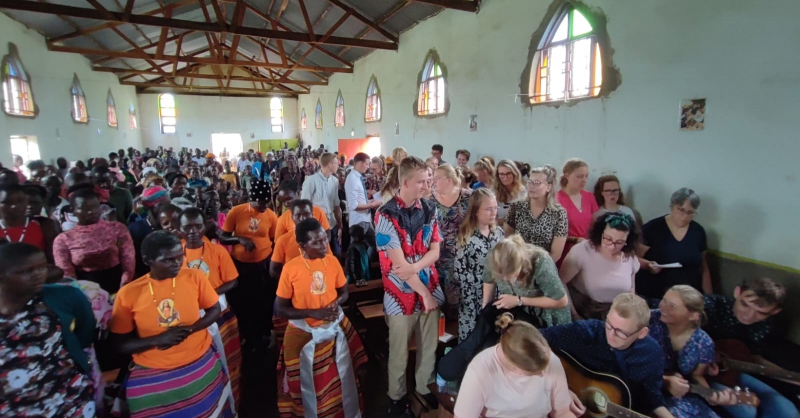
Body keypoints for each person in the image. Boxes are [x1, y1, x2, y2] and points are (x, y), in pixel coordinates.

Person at [110, 231, 234, 418]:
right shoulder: (128, 294)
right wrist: (159, 339)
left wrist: (191, 329)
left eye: (180, 257)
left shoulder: (194, 277)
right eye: (168, 260)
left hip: (198, 358)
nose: (178, 263)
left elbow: (214, 309)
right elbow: (121, 344)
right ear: (147, 260)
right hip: (153, 368)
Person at [274, 218, 368, 417]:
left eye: (325, 239)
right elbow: (280, 308)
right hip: (304, 331)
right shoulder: (291, 268)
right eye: (316, 242)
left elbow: (344, 292)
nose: (324, 245)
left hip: (334, 324)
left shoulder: (332, 260)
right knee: (306, 383)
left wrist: (337, 301)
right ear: (302, 246)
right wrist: (312, 313)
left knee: (340, 377)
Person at [375, 156, 446, 416]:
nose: (427, 186)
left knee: (429, 346)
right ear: (405, 182)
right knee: (400, 350)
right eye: (421, 181)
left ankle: (424, 388)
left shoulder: (429, 208)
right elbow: (397, 266)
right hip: (400, 293)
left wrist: (416, 268)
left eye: (428, 180)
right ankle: (396, 396)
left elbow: (435, 250)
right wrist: (422, 288)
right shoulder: (385, 215)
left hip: (429, 286)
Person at [0, 243, 97, 417]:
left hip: (69, 398)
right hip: (15, 406)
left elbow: (84, 334)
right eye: (25, 271)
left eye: (42, 267)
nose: (38, 275)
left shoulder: (64, 297)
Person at [541, 293, 673, 417]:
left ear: (642, 333)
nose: (611, 335)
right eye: (609, 324)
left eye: (621, 332)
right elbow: (532, 339)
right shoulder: (586, 332)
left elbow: (652, 400)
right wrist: (560, 388)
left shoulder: (652, 354)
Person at [703, 278, 798, 418]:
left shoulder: (766, 325)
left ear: (775, 311)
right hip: (698, 374)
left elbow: (753, 357)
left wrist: (791, 377)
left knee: (788, 411)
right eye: (744, 304)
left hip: (732, 371)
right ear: (737, 292)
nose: (749, 315)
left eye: (761, 312)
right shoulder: (709, 306)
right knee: (747, 411)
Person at [179, 207, 242, 410]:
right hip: (189, 314)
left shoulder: (216, 250)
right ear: (179, 229)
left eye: (198, 226)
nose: (193, 231)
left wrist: (210, 295)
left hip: (219, 311)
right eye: (187, 227)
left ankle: (233, 399)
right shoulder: (175, 253)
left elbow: (232, 281)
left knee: (228, 358)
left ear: (204, 226)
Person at [454, 313, 575, 418]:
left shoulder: (549, 360)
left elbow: (562, 413)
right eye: (535, 371)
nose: (543, 373)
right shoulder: (480, 370)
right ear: (515, 364)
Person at [651, 286, 736, 417]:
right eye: (664, 300)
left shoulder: (704, 342)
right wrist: (666, 381)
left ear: (693, 315)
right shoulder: (647, 321)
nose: (662, 307)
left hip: (680, 396)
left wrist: (710, 395)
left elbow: (697, 376)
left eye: (672, 306)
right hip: (645, 389)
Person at [219, 179, 278, 347]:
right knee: (243, 301)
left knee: (264, 300)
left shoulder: (271, 215)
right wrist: (239, 239)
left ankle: (264, 334)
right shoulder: (236, 212)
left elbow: (274, 240)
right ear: (252, 199)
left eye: (267, 202)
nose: (265, 207)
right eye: (261, 203)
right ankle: (246, 335)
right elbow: (223, 236)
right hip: (240, 266)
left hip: (263, 266)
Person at [53, 187, 135, 294]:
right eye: (84, 208)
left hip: (118, 286)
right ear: (73, 210)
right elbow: (67, 273)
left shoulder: (117, 228)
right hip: (84, 291)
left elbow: (128, 261)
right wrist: (83, 296)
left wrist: (123, 288)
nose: (91, 212)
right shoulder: (63, 240)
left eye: (95, 207)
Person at [560, 212, 641, 320]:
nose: (612, 246)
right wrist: (574, 315)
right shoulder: (582, 250)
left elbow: (631, 290)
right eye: (608, 239)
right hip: (586, 313)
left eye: (619, 242)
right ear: (600, 233)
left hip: (618, 314)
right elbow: (560, 282)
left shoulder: (629, 255)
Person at [636, 188, 710, 301]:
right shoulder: (652, 229)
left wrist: (709, 297)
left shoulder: (698, 232)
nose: (685, 216)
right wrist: (648, 265)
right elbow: (634, 258)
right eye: (681, 210)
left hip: (688, 298)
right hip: (655, 295)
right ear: (672, 206)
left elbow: (703, 267)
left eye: (690, 212)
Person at [482, 235, 570, 327]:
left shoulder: (541, 263)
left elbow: (561, 301)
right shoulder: (494, 257)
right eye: (501, 276)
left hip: (548, 317)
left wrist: (519, 301)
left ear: (521, 264)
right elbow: (489, 279)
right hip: (521, 316)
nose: (505, 279)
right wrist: (485, 307)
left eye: (511, 274)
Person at [454, 188, 504, 342]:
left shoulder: (499, 233)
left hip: (499, 295)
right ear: (475, 211)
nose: (493, 213)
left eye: (495, 208)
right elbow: (459, 272)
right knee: (473, 340)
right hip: (473, 298)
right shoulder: (465, 237)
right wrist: (482, 284)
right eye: (488, 209)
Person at [505, 165, 568, 263]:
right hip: (516, 264)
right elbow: (508, 238)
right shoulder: (516, 207)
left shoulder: (559, 213)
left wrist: (536, 268)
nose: (531, 186)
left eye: (537, 183)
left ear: (548, 187)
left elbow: (556, 253)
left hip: (543, 267)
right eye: (530, 182)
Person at [431, 164, 472, 312]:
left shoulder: (469, 197)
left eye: (437, 178)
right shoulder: (429, 198)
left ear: (449, 180)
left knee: (460, 306)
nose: (433, 181)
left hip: (463, 256)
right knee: (438, 304)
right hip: (436, 256)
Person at [270, 199, 329, 279]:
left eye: (307, 214)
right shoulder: (283, 241)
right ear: (292, 218)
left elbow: (329, 262)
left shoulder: (320, 238)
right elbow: (274, 270)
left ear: (312, 215)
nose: (302, 218)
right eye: (298, 215)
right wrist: (290, 280)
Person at [556, 158, 599, 266]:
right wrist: (575, 240)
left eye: (586, 176)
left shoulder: (589, 196)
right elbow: (552, 231)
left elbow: (594, 225)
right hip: (564, 250)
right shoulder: (556, 199)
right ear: (567, 175)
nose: (584, 180)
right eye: (580, 176)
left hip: (587, 248)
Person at [301, 153, 343, 256]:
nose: (338, 165)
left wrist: (340, 226)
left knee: (336, 254)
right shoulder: (311, 181)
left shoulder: (334, 181)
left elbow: (336, 204)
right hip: (317, 226)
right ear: (330, 164)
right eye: (336, 163)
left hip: (332, 224)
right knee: (321, 255)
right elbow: (305, 205)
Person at [0, 184, 54, 261]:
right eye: (7, 202)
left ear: (26, 202)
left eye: (19, 201)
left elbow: (54, 260)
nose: (14, 206)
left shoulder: (44, 225)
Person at [128, 186, 171, 278]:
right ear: (150, 207)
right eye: (161, 204)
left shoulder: (172, 225)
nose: (166, 208)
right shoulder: (136, 229)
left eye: (168, 203)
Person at [345, 152, 381, 256]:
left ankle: (365, 267)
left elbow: (359, 200)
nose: (368, 167)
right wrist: (372, 205)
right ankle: (356, 270)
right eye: (367, 164)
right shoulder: (352, 179)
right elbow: (353, 205)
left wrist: (370, 201)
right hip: (359, 221)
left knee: (373, 245)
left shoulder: (357, 177)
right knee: (355, 250)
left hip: (365, 218)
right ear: (360, 163)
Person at [493, 159, 526, 226]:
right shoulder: (493, 192)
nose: (505, 177)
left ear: (514, 173)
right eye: (501, 174)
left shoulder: (522, 191)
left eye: (508, 173)